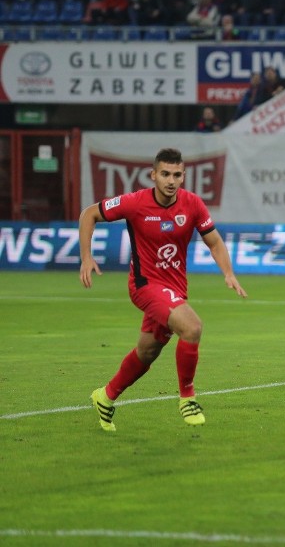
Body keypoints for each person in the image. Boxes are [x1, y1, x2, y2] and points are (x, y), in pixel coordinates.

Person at [79, 148, 248, 432]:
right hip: (145, 285)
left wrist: (228, 272)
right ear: (154, 175)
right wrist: (86, 256)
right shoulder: (134, 203)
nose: (171, 180)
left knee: (147, 353)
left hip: (175, 289)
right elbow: (89, 214)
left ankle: (105, 397)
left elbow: (215, 242)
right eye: (166, 174)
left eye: (177, 175)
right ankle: (187, 398)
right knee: (192, 328)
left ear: (184, 176)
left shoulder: (192, 204)